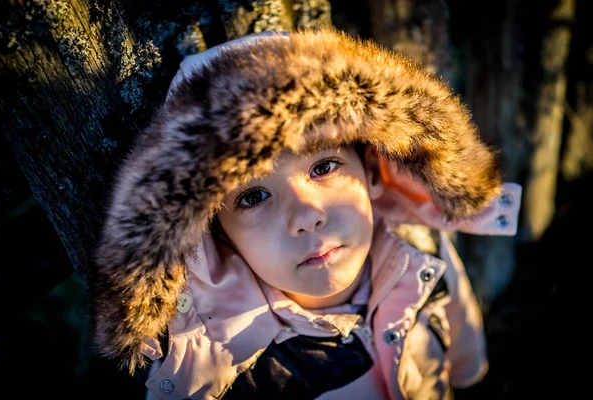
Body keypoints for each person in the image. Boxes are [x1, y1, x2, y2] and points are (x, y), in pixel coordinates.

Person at [89, 27, 522, 399]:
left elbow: (459, 341)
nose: (306, 216)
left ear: (371, 171)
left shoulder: (423, 251)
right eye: (253, 196)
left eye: (323, 167)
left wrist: (466, 375)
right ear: (216, 233)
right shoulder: (214, 372)